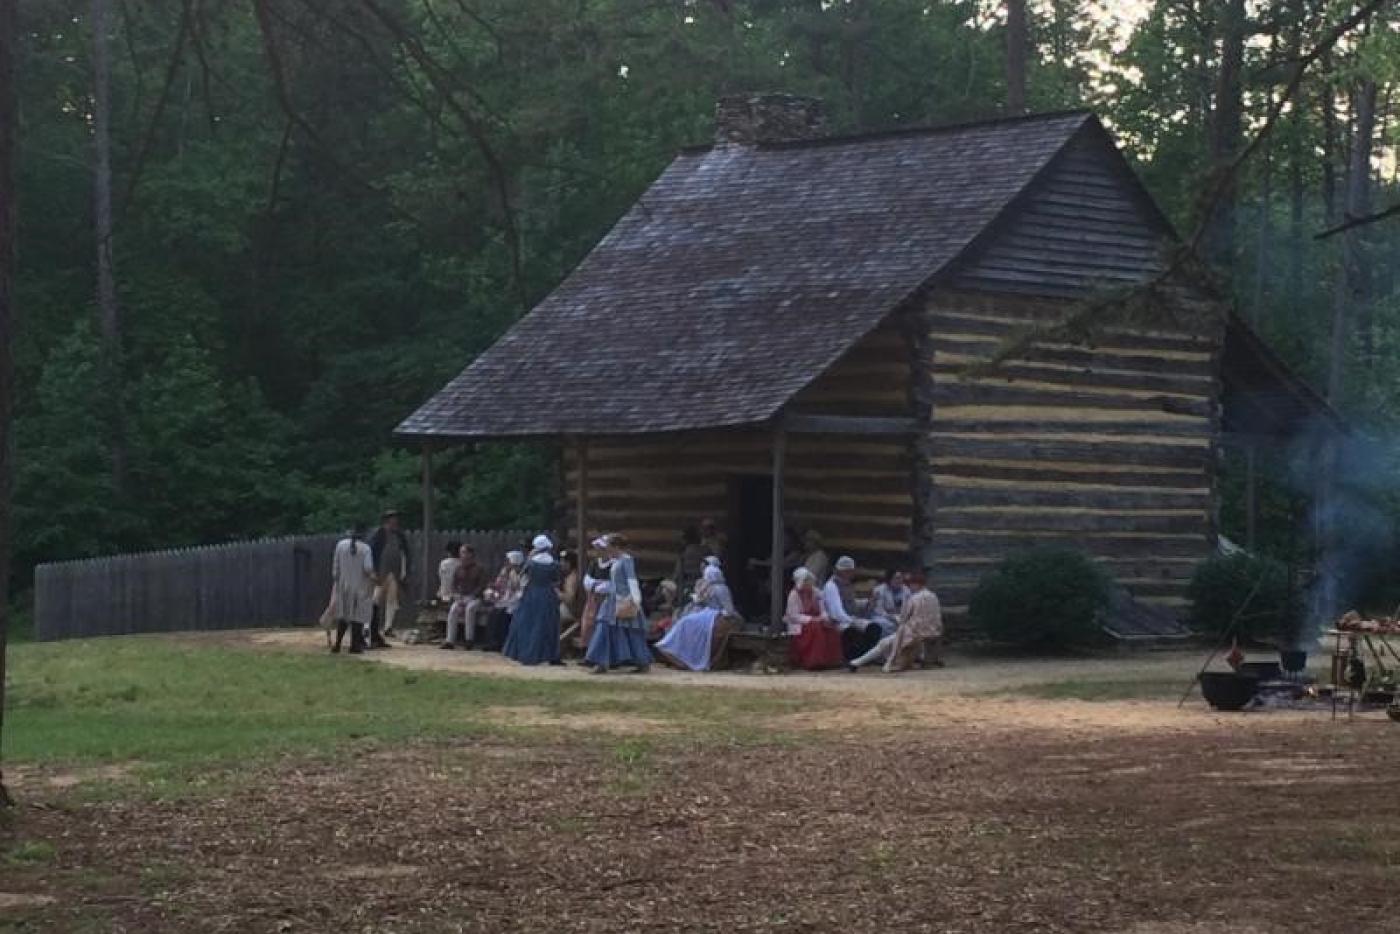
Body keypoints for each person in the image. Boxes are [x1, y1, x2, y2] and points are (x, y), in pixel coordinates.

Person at [848, 570, 944, 673]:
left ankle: (858, 662)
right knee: (888, 633)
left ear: (916, 584)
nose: (909, 586)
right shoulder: (933, 596)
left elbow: (904, 618)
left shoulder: (914, 598)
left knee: (886, 642)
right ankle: (857, 662)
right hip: (932, 630)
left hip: (916, 632)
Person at [584, 534, 652, 673]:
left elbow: (632, 580)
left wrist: (635, 600)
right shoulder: (615, 560)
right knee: (603, 626)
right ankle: (601, 662)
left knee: (631, 631)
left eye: (609, 546)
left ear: (616, 547)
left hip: (625, 599)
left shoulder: (626, 561)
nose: (607, 550)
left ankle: (642, 662)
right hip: (612, 599)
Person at [654, 565, 739, 672]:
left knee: (689, 622)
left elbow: (728, 609)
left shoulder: (721, 589)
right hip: (707, 612)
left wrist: (718, 614)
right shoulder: (710, 587)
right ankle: (672, 648)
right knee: (686, 620)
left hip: (714, 614)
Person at [504, 535, 564, 666]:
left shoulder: (531, 563)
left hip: (531, 594)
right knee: (547, 624)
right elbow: (557, 581)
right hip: (548, 595)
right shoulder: (554, 564)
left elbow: (523, 580)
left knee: (527, 623)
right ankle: (550, 655)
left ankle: (526, 654)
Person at [824, 556, 883, 661]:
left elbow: (852, 603)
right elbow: (837, 612)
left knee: (875, 628)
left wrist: (867, 602)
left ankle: (863, 657)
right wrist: (852, 621)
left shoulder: (847, 584)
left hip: (849, 617)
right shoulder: (831, 586)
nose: (852, 573)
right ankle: (850, 658)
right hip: (837, 621)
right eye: (849, 571)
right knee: (851, 631)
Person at [369, 509, 412, 647]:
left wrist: (405, 571)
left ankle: (388, 627)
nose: (394, 522)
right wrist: (373, 570)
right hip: (381, 569)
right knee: (376, 598)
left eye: (395, 519)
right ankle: (368, 626)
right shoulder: (378, 534)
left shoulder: (399, 535)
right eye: (392, 519)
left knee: (392, 598)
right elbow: (372, 551)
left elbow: (405, 553)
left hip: (394, 570)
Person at [784, 567, 843, 670]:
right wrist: (812, 619)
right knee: (816, 628)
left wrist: (825, 618)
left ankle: (832, 661)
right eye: (806, 580)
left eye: (809, 580)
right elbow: (793, 616)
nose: (808, 583)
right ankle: (814, 662)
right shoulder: (794, 595)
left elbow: (823, 609)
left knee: (831, 627)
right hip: (800, 624)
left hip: (817, 620)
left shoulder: (816, 592)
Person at [330, 524, 375, 654]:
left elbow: (335, 569)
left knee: (343, 616)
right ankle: (354, 645)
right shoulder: (366, 549)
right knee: (358, 617)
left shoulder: (341, 545)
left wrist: (337, 582)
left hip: (343, 586)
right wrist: (375, 579)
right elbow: (368, 568)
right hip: (360, 586)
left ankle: (337, 644)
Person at [443, 543, 488, 649]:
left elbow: (482, 585)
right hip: (461, 597)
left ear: (470, 554)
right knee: (453, 610)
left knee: (470, 609)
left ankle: (469, 639)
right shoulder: (458, 568)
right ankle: (450, 640)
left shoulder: (479, 568)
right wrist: (456, 596)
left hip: (475, 598)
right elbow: (454, 585)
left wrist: (472, 596)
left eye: (464, 552)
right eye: (461, 552)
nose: (461, 555)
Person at [574, 537, 613, 654]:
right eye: (597, 549)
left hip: (607, 600)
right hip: (593, 599)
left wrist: (600, 586)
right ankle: (589, 652)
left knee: (604, 626)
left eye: (600, 549)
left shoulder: (613, 565)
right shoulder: (594, 563)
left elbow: (612, 584)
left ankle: (605, 653)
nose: (598, 552)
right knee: (589, 624)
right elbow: (587, 580)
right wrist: (595, 585)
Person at [483, 551, 525, 651]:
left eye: (508, 561)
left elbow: (521, 591)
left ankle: (501, 642)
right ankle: (492, 641)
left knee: (503, 614)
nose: (506, 563)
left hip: (518, 601)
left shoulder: (523, 573)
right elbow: (502, 587)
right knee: (493, 613)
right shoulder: (509, 572)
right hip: (508, 599)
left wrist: (508, 599)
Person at [671, 525, 706, 600]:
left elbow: (678, 575)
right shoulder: (706, 551)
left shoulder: (683, 553)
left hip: (687, 587)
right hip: (704, 588)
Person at [870, 569, 909, 634]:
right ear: (889, 579)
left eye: (901, 578)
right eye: (897, 578)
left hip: (900, 617)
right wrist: (891, 617)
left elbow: (908, 608)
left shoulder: (906, 590)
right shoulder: (879, 590)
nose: (900, 581)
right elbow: (879, 610)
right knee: (884, 624)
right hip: (882, 617)